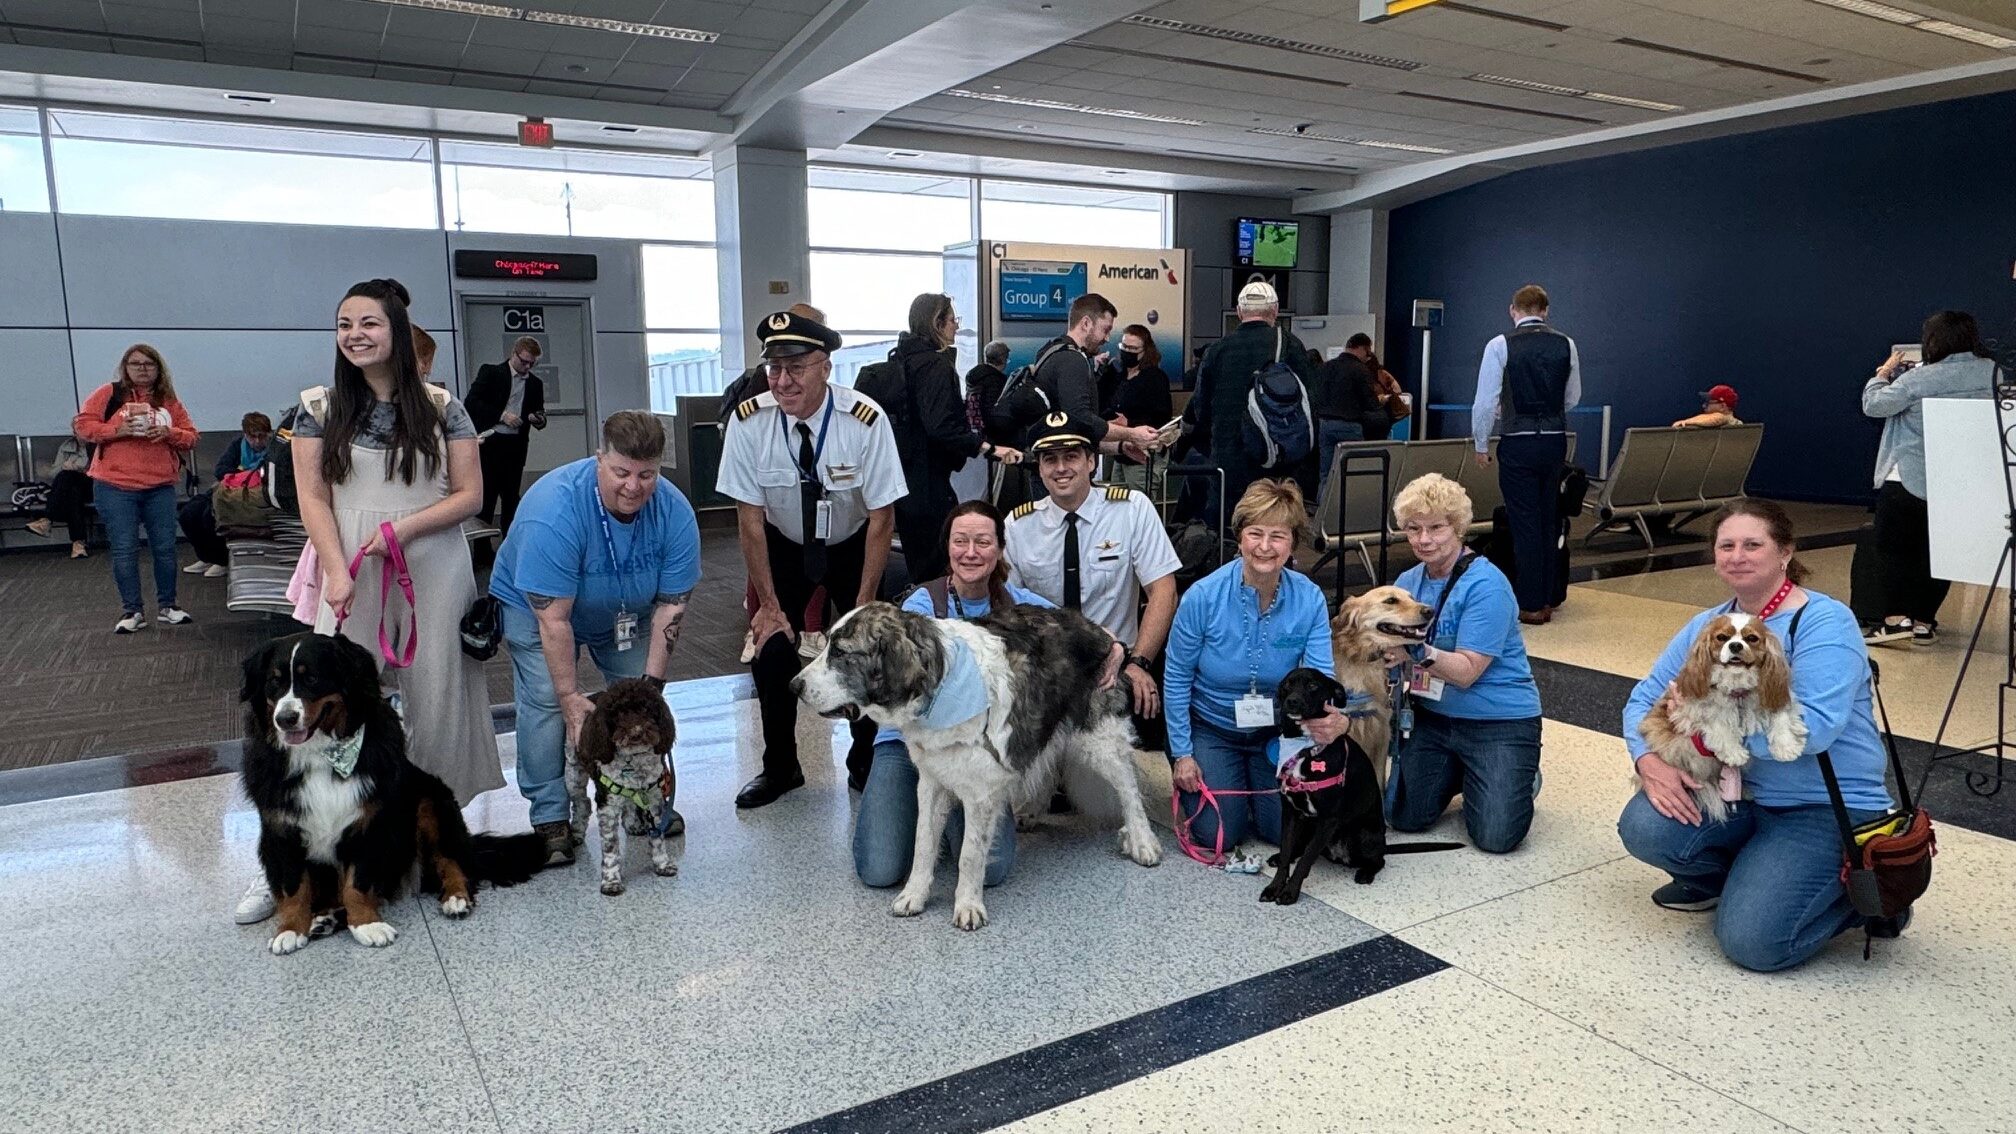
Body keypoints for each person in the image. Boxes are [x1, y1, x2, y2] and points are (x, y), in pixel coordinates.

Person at [237, 278, 500, 927]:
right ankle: (288, 858)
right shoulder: (316, 408)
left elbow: (469, 494)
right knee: (324, 705)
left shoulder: (445, 407)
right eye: (344, 323)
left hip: (432, 561)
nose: (355, 334)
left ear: (397, 330)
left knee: (440, 702)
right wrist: (335, 567)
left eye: (370, 323)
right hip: (349, 564)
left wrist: (402, 531)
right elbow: (313, 498)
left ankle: (422, 846)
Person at [1618, 499, 1903, 971]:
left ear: (1785, 552)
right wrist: (1647, 762)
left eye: (1754, 544)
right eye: (1726, 545)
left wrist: (1707, 735)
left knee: (1754, 945)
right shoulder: (1709, 624)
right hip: (1744, 795)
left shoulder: (1823, 621)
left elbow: (1813, 731)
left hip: (1822, 805)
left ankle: (1867, 898)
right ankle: (1737, 880)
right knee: (1646, 825)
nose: (1737, 555)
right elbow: (1642, 699)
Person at [490, 411, 702, 865]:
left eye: (647, 474)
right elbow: (555, 622)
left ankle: (640, 797)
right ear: (598, 459)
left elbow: (672, 607)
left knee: (636, 699)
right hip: (540, 612)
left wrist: (652, 689)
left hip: (626, 613)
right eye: (621, 472)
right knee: (547, 699)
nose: (634, 486)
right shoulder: (553, 512)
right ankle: (550, 815)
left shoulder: (675, 512)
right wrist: (570, 694)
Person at [717, 309, 906, 809]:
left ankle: (864, 759)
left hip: (852, 544)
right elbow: (749, 519)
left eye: (796, 367)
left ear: (825, 367)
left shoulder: (865, 419)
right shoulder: (748, 421)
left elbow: (882, 516)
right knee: (771, 650)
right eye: (774, 369)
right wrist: (769, 604)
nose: (783, 381)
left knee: (868, 650)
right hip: (781, 544)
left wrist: (863, 604)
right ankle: (781, 766)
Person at [854, 500, 1036, 888]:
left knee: (992, 871)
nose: (971, 552)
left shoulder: (1018, 604)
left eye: (983, 542)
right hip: (909, 745)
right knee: (879, 869)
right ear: (948, 547)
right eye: (961, 541)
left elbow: (1068, 627)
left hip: (977, 749)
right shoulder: (922, 605)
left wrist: (1116, 649)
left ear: (1000, 549)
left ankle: (962, 821)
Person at [1164, 479, 1340, 851]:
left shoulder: (1308, 599)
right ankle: (1223, 785)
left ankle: (1251, 792)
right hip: (1212, 727)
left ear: (1292, 543)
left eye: (1277, 536)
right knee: (1219, 837)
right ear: (1239, 537)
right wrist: (1182, 754)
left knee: (1283, 833)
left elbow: (1322, 677)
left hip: (1275, 732)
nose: (1264, 546)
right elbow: (1177, 677)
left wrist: (1335, 719)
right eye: (1255, 533)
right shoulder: (1202, 597)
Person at [1386, 473, 1545, 854]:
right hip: (1435, 718)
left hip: (1498, 721)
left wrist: (1415, 651)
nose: (1424, 539)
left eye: (1436, 528)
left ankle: (1520, 773)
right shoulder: (1408, 581)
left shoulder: (1486, 584)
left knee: (1496, 838)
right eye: (1413, 529)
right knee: (1403, 817)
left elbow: (1467, 672)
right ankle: (1464, 771)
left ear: (1457, 527)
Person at [1005, 411, 1182, 750]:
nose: (1061, 468)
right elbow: (1010, 609)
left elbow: (1163, 591)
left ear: (1091, 461)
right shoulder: (1018, 525)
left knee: (1136, 758)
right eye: (1050, 459)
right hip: (1048, 671)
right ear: (1039, 468)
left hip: (1117, 666)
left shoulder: (1131, 510)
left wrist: (1140, 662)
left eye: (1071, 456)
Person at [1861, 310, 1995, 645]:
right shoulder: (1990, 372)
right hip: (1957, 479)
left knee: (1892, 550)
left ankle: (1895, 621)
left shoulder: (1917, 379)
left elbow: (1874, 405)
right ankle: (1924, 622)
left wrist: (1882, 374)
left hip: (1907, 478)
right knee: (1939, 554)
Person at [720, 303, 832, 664]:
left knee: (815, 558)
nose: (784, 377)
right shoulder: (763, 391)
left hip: (814, 500)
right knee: (765, 555)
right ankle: (764, 628)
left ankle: (807, 629)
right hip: (774, 494)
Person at [890, 293, 1020, 584]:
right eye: (952, 320)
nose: (956, 327)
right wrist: (987, 448)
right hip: (929, 482)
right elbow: (940, 426)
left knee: (919, 563)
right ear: (937, 324)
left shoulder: (903, 360)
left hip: (905, 479)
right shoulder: (935, 366)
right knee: (939, 567)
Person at [1471, 284, 1580, 625]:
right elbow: (1573, 396)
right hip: (1553, 439)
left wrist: (1481, 444)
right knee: (1549, 517)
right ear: (1545, 310)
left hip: (1517, 440)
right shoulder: (1566, 343)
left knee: (1524, 521)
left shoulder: (1500, 345)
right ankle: (1548, 595)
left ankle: (1530, 603)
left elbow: (1485, 400)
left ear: (1512, 310)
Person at [72, 344, 198, 634]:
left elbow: (192, 437)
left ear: (158, 369)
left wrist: (170, 433)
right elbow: (83, 426)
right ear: (125, 367)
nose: (142, 368)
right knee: (125, 550)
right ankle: (133, 611)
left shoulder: (168, 401)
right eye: (135, 363)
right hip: (115, 486)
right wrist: (117, 431)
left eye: (148, 364)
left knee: (165, 549)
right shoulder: (108, 394)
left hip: (160, 486)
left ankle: (168, 607)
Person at [1185, 281, 1321, 519]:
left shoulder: (1216, 350)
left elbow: (1200, 408)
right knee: (1274, 526)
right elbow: (1311, 403)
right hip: (1275, 461)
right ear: (1275, 310)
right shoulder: (1288, 345)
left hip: (1227, 462)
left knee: (1229, 529)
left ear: (1239, 312)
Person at [466, 335, 548, 534]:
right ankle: (483, 553)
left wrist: (537, 419)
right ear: (513, 354)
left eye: (532, 363)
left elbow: (540, 414)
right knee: (486, 498)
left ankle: (510, 546)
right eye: (524, 361)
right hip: (490, 442)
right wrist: (502, 416)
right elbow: (471, 403)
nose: (527, 367)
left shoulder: (535, 384)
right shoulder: (491, 372)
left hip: (515, 447)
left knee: (511, 499)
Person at [179, 411, 272, 578]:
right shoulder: (238, 444)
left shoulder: (274, 450)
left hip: (252, 495)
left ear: (268, 434)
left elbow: (268, 477)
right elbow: (220, 469)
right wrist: (247, 475)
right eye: (253, 437)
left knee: (211, 516)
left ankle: (221, 560)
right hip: (231, 489)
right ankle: (205, 556)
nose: (257, 441)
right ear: (245, 435)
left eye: (261, 436)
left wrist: (236, 476)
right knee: (189, 512)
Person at [1095, 323, 1173, 486]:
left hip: (1143, 453)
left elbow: (1162, 418)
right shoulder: (1119, 375)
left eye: (1133, 349)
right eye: (1124, 346)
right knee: (1117, 502)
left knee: (1139, 501)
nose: (1127, 352)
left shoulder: (1154, 378)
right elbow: (1101, 402)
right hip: (1120, 451)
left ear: (1144, 352)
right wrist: (1101, 370)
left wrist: (1129, 424)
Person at [1312, 340, 1375, 501]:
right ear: (1361, 348)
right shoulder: (1360, 369)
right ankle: (1350, 510)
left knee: (1326, 472)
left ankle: (1323, 512)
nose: (1368, 354)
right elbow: (1369, 402)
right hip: (1350, 426)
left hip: (1325, 424)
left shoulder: (1325, 367)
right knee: (1353, 472)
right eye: (1368, 350)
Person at [28, 433, 94, 559]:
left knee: (68, 479)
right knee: (72, 493)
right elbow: (53, 473)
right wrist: (64, 467)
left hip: (93, 486)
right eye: (78, 431)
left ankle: (47, 520)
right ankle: (78, 544)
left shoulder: (96, 446)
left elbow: (100, 472)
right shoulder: (66, 446)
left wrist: (78, 469)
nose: (81, 434)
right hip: (73, 489)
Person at [1673, 384, 1742, 429]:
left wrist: (1685, 422)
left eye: (1709, 403)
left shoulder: (1728, 420)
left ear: (1722, 406)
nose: (1704, 406)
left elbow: (1719, 418)